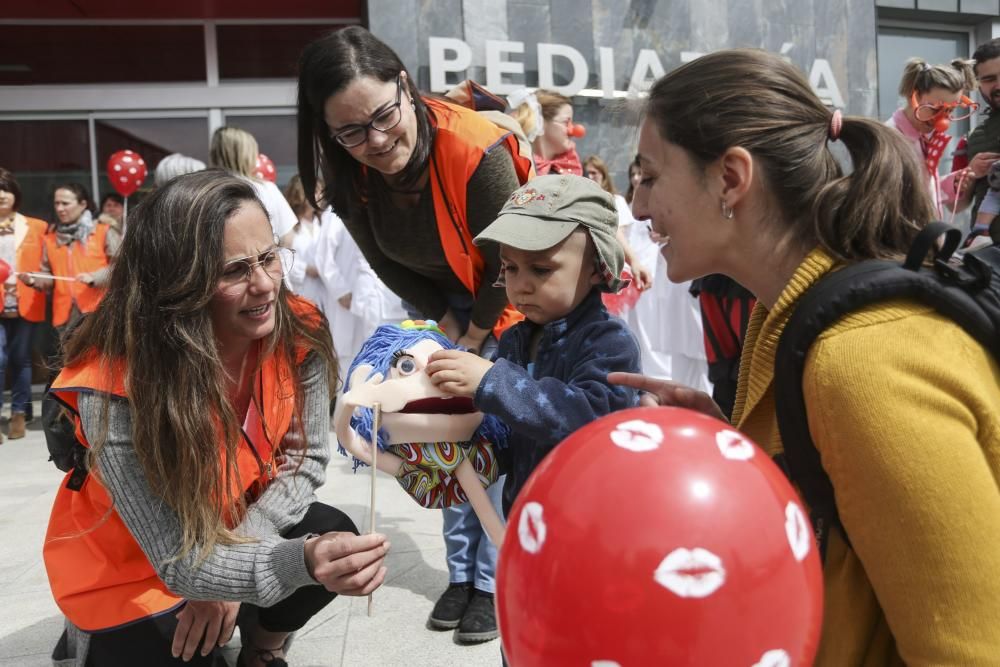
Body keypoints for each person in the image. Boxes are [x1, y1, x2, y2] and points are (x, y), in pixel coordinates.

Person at [610, 48, 1000, 664]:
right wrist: (742, 451)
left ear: (731, 179)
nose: (635, 207)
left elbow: (969, 649)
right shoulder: (785, 315)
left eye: (651, 176)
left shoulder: (863, 362)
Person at [42, 170, 389, 667]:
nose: (265, 284)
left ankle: (262, 648)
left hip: (232, 529)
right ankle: (91, 635)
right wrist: (292, 562)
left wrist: (237, 567)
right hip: (136, 564)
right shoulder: (113, 380)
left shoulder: (301, 330)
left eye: (269, 257)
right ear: (175, 280)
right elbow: (173, 558)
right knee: (178, 651)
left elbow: (306, 459)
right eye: (234, 271)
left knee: (333, 530)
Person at [296, 25, 533, 643]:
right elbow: (386, 261)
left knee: (490, 444)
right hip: (442, 311)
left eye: (382, 117)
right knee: (441, 442)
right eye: (350, 132)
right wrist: (445, 330)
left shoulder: (477, 150)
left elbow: (509, 265)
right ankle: (461, 575)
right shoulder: (349, 174)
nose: (374, 142)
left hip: (505, 301)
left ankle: (493, 580)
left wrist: (476, 340)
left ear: (405, 85)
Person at [426, 174, 642, 514]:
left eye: (541, 269)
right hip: (524, 516)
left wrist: (492, 382)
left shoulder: (609, 342)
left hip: (587, 522)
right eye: (510, 268)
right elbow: (505, 437)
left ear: (597, 268)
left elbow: (592, 420)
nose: (521, 285)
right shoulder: (514, 338)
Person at [21, 183, 121, 337]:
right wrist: (34, 280)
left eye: (65, 203)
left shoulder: (103, 230)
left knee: (102, 360)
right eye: (57, 203)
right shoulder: (51, 237)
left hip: (100, 312)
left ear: (83, 204)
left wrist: (95, 277)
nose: (60, 208)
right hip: (66, 318)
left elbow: (121, 268)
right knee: (71, 360)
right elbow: (49, 276)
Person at [886, 57, 978, 218]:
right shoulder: (890, 139)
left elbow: (922, 191)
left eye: (949, 111)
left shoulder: (925, 135)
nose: (942, 122)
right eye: (934, 109)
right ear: (912, 95)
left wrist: (952, 183)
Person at [0, 168, 46, 441]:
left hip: (25, 300)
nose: (1, 196)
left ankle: (19, 414)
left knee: (21, 359)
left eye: (5, 190)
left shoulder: (36, 226)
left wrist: (37, 278)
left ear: (15, 195)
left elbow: (46, 262)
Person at [209, 127, 297, 247]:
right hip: (266, 260)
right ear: (248, 155)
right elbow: (287, 238)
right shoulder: (267, 188)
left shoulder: (207, 191)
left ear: (215, 154)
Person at [582, 154, 651, 290]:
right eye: (587, 173)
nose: (590, 177)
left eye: (594, 173)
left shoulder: (616, 201)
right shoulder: (583, 203)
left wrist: (633, 261)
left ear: (603, 174)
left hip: (618, 268)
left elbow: (618, 234)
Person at [967, 38, 1000, 240]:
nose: (999, 85)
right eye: (989, 79)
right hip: (986, 255)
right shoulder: (975, 136)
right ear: (977, 84)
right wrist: (970, 173)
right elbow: (958, 203)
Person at [282, 175, 325, 308]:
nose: (320, 196)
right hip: (302, 293)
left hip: (327, 294)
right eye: (315, 191)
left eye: (321, 191)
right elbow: (282, 260)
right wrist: (305, 269)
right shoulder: (289, 225)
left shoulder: (324, 222)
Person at [527, 89, 582, 176]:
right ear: (541, 122)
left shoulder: (575, 168)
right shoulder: (518, 167)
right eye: (566, 122)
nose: (573, 131)